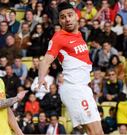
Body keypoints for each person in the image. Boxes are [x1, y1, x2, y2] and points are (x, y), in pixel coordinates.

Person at [38, 2, 103, 135]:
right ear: (60, 21)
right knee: (94, 133)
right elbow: (45, 60)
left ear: (76, 16)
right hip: (74, 89)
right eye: (62, 17)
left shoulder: (79, 35)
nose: (67, 19)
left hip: (84, 88)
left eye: (69, 15)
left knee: (99, 132)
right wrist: (41, 78)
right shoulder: (59, 38)